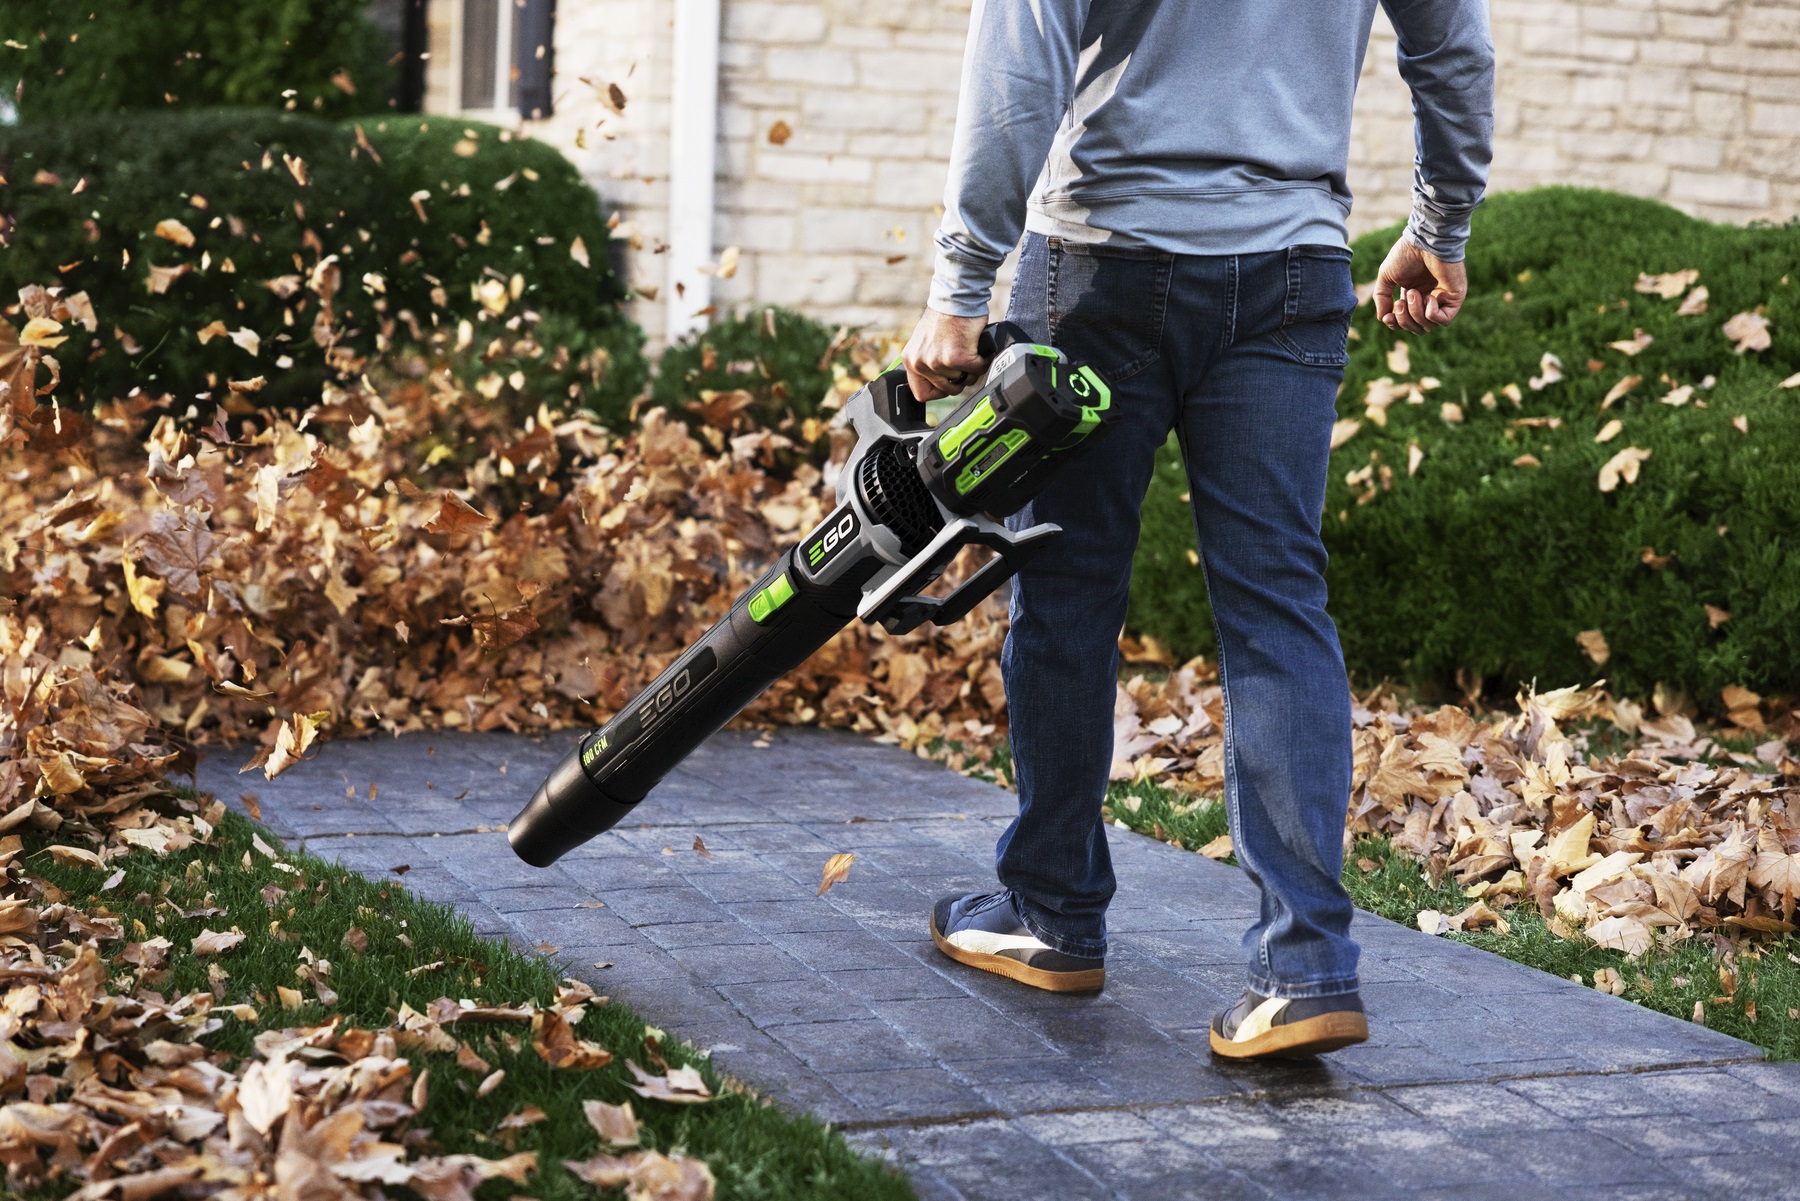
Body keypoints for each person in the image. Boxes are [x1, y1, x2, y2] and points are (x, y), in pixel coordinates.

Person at [905, 0, 1494, 1059]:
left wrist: (960, 279)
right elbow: (1451, 41)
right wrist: (1440, 223)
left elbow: (1022, 54)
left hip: (1100, 263)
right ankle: (1308, 970)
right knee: (1278, 606)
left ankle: (1051, 912)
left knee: (1067, 592)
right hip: (1290, 268)